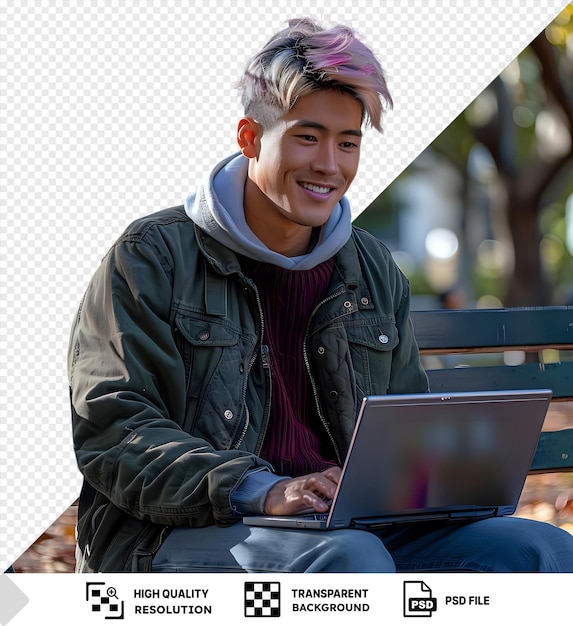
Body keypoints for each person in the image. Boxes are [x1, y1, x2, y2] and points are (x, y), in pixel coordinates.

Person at [69, 17, 573, 573]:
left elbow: (402, 425)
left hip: (349, 526)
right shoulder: (152, 256)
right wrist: (259, 489)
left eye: (348, 142)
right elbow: (114, 430)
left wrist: (435, 481)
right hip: (179, 532)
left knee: (544, 550)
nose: (329, 165)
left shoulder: (372, 268)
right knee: (350, 564)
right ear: (250, 137)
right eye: (306, 137)